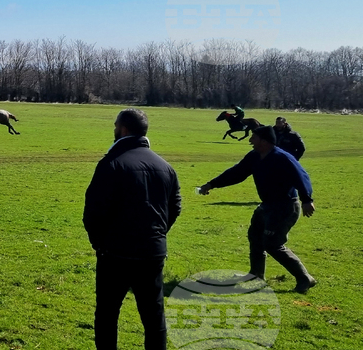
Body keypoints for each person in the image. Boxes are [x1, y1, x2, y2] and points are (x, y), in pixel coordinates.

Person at [84, 108, 182, 350]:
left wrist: (99, 242)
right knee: (153, 315)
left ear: (124, 129)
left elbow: (94, 210)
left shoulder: (111, 163)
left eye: (116, 125)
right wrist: (156, 234)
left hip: (115, 252)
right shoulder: (166, 166)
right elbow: (175, 207)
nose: (114, 129)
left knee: (107, 313)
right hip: (152, 251)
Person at [199, 124, 317, 293]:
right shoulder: (255, 156)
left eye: (253, 137)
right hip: (266, 206)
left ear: (264, 140)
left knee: (273, 244)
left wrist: (307, 199)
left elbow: (301, 176)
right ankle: (256, 275)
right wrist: (212, 184)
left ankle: (305, 278)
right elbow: (237, 172)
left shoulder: (282, 157)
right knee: (255, 237)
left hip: (285, 207)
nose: (250, 140)